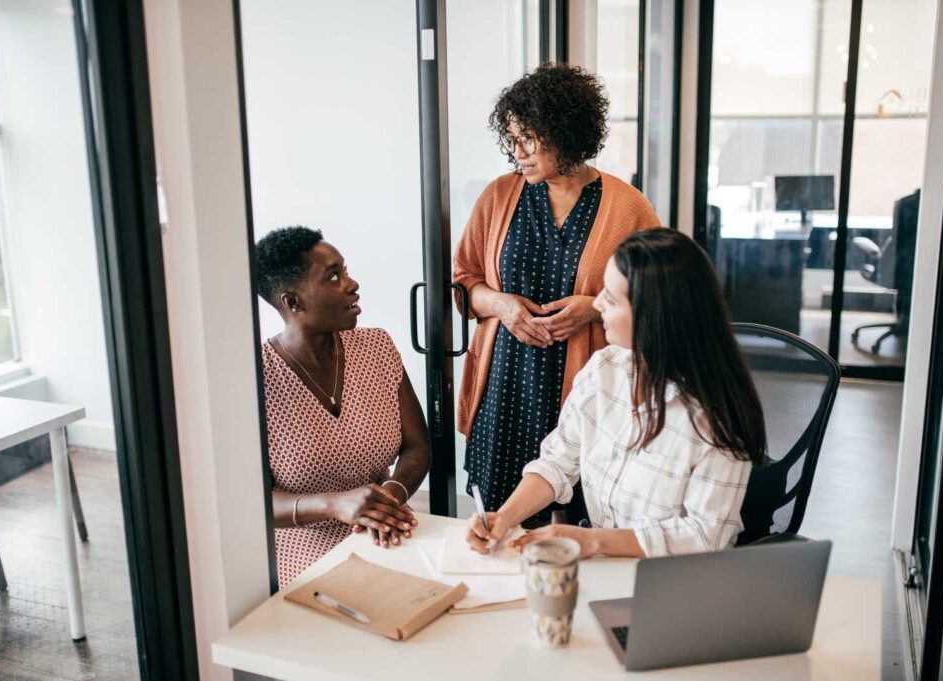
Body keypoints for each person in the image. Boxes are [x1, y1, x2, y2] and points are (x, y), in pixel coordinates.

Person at [466, 229, 768, 558]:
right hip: (606, 567)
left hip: (674, 582)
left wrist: (592, 542)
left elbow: (706, 535)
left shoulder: (717, 416)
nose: (597, 304)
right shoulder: (605, 368)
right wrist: (506, 517)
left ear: (653, 315)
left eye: (610, 297)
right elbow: (558, 461)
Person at [453, 63, 660, 526]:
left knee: (573, 522)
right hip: (506, 382)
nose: (517, 152)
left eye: (527, 138)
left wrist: (592, 309)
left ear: (564, 133)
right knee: (499, 520)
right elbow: (464, 279)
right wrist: (502, 305)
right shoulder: (499, 196)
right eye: (511, 139)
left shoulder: (628, 206)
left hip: (590, 384)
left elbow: (658, 297)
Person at [256, 226, 431, 585]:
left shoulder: (376, 348)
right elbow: (251, 501)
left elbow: (418, 447)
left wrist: (388, 500)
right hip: (303, 550)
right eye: (334, 276)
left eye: (345, 271)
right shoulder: (256, 378)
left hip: (383, 531)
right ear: (293, 302)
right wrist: (335, 504)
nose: (352, 284)